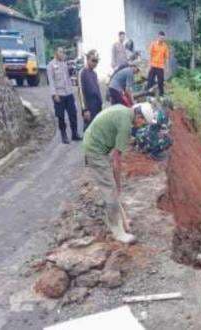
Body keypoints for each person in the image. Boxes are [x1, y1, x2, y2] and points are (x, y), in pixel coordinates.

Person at [83, 102, 157, 243]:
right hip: (95, 150)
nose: (142, 126)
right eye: (143, 123)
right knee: (111, 190)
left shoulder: (123, 111)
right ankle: (118, 231)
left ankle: (120, 221)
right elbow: (117, 160)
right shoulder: (125, 126)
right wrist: (118, 185)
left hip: (96, 143)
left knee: (111, 186)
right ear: (139, 117)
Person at [47, 47, 80, 144]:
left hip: (68, 93)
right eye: (60, 52)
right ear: (55, 53)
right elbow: (51, 81)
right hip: (59, 94)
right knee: (61, 116)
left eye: (63, 52)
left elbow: (69, 78)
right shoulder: (51, 65)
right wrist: (54, 94)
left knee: (73, 114)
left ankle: (74, 134)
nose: (62, 54)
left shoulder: (65, 64)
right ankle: (64, 135)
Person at [79, 50, 103, 131]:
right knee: (88, 130)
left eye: (97, 61)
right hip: (89, 105)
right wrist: (85, 110)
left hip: (97, 105)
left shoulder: (94, 73)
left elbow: (97, 90)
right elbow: (81, 92)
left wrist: (101, 103)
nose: (95, 63)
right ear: (87, 59)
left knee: (97, 129)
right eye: (93, 60)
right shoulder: (82, 73)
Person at [146, 31, 169, 96]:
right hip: (153, 66)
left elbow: (167, 58)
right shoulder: (153, 44)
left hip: (160, 67)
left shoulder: (165, 46)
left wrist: (167, 68)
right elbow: (150, 55)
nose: (162, 39)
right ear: (158, 37)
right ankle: (149, 95)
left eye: (163, 38)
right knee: (150, 81)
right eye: (161, 38)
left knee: (160, 82)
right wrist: (148, 66)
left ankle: (161, 95)